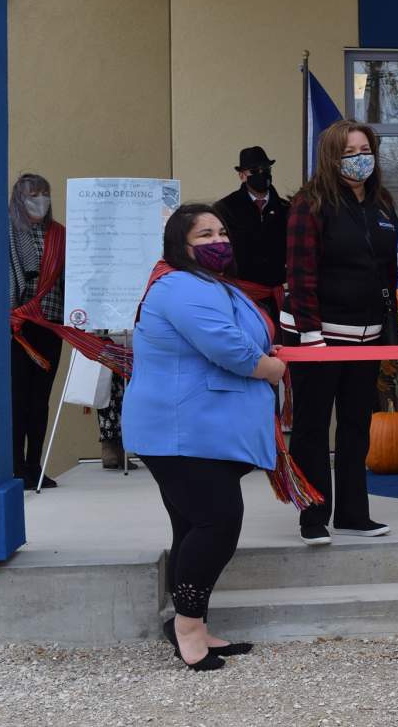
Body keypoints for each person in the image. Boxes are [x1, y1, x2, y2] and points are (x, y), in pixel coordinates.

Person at [122, 203, 285, 670]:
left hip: (200, 428)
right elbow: (227, 347)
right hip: (179, 429)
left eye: (222, 232)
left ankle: (194, 623)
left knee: (193, 526)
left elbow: (242, 335)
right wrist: (268, 367)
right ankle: (187, 626)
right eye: (204, 235)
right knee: (218, 523)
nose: (218, 241)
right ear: (181, 246)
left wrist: (263, 351)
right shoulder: (178, 286)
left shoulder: (210, 285)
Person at [283, 120, 398, 546]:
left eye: (364, 149)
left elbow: (387, 269)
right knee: (313, 427)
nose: (359, 158)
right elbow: (300, 273)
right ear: (333, 157)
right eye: (349, 151)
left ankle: (353, 513)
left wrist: (396, 329)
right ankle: (313, 515)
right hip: (318, 338)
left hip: (366, 338)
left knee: (356, 425)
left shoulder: (381, 203)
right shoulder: (309, 203)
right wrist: (312, 335)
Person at [8, 173, 63, 489]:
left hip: (49, 325)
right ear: (19, 197)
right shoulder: (7, 232)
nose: (40, 200)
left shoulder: (59, 235)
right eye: (33, 194)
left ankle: (35, 465)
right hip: (17, 326)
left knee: (40, 400)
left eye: (45, 193)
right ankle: (16, 466)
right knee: (17, 398)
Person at [214, 146, 289, 324]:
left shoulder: (286, 209)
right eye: (254, 171)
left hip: (276, 296)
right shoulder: (225, 208)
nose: (261, 174)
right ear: (242, 175)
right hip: (242, 295)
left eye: (266, 170)